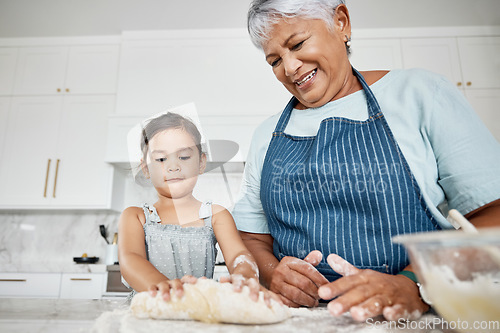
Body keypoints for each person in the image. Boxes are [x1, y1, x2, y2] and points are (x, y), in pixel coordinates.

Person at [232, 0, 500, 322]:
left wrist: (414, 284)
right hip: (304, 322)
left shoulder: (419, 94)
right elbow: (250, 238)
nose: (289, 68)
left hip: (415, 317)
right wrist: (273, 273)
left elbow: (491, 217)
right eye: (275, 60)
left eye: (298, 44)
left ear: (341, 23)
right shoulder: (267, 135)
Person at [118, 112, 270, 302]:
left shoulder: (215, 215)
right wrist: (167, 290)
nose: (173, 166)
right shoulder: (136, 217)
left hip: (196, 310)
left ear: (201, 162)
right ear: (146, 168)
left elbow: (239, 256)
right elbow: (131, 260)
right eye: (161, 159)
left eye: (183, 157)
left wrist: (244, 277)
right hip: (148, 313)